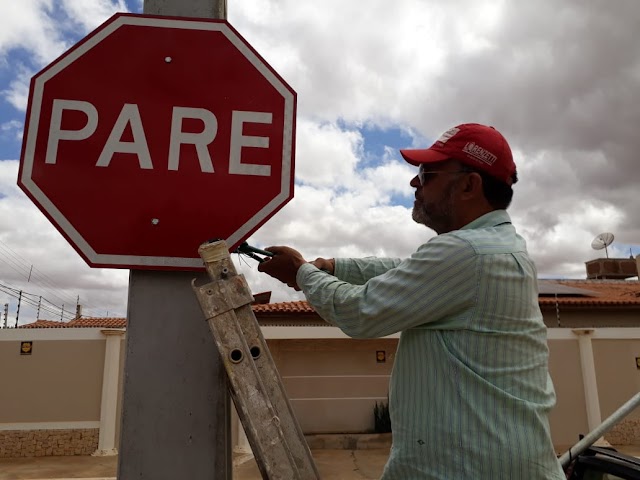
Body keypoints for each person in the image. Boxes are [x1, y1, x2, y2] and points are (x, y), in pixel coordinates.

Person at [257, 123, 565, 479]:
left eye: (427, 173)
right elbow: (405, 269)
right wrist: (333, 266)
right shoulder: (495, 247)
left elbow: (360, 312)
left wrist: (300, 273)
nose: (414, 183)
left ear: (469, 185)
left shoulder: (467, 253)